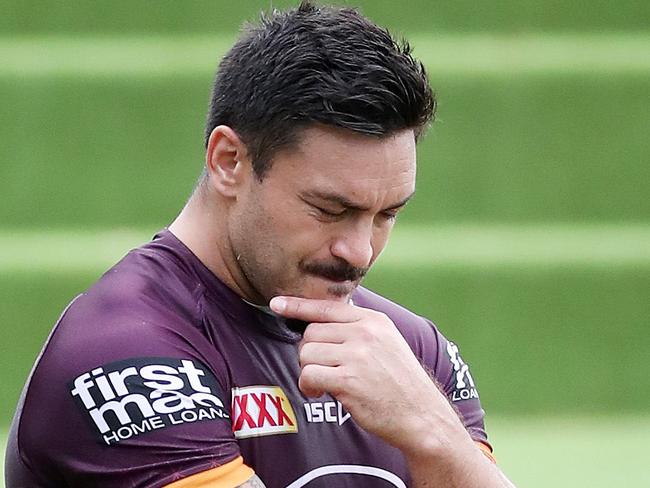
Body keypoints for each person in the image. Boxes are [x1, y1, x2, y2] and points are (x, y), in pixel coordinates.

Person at [6, 2, 516, 487]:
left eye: (387, 215)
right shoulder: (125, 356)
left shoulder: (411, 352)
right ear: (229, 161)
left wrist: (434, 433)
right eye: (330, 210)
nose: (359, 252)